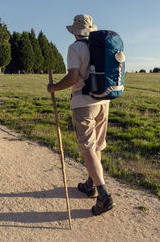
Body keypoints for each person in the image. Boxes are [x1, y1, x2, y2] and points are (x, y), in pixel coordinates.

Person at [47, 14, 115, 216]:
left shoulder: (75, 48)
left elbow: (74, 76)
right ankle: (90, 184)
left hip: (83, 102)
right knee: (96, 146)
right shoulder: (101, 47)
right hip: (103, 100)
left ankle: (103, 196)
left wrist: (54, 88)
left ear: (75, 32)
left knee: (87, 148)